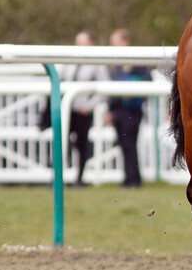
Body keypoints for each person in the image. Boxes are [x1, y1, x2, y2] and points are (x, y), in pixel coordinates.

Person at [59, 31, 110, 187]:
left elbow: (104, 87)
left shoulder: (96, 63)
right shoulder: (69, 61)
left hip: (82, 111)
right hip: (67, 110)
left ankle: (79, 178)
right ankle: (56, 178)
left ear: (91, 43)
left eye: (82, 42)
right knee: (60, 142)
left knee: (82, 144)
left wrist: (88, 106)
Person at [106, 28, 152, 188]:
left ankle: (134, 179)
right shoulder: (114, 63)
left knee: (130, 144)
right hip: (118, 109)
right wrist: (110, 110)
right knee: (123, 144)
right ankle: (128, 178)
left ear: (125, 42)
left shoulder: (136, 59)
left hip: (132, 109)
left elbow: (146, 80)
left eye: (115, 42)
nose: (112, 46)